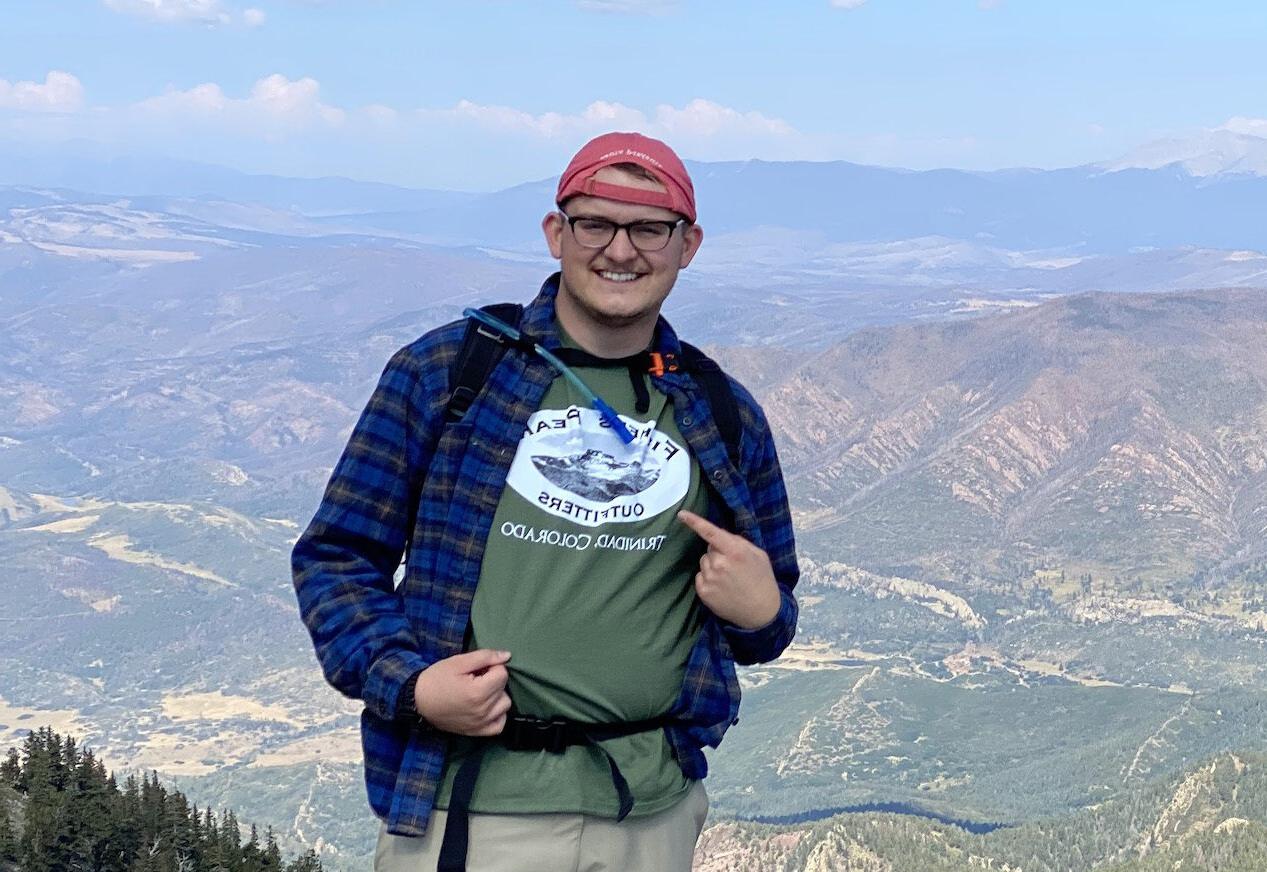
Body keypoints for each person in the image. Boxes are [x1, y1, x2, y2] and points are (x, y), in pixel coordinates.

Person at [292, 131, 799, 872]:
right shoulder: (449, 372)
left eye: (648, 229)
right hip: (472, 803)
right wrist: (411, 684)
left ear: (686, 245)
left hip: (650, 810)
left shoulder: (719, 411)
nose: (620, 250)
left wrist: (762, 610)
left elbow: (768, 612)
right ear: (555, 233)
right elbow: (337, 557)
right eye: (595, 223)